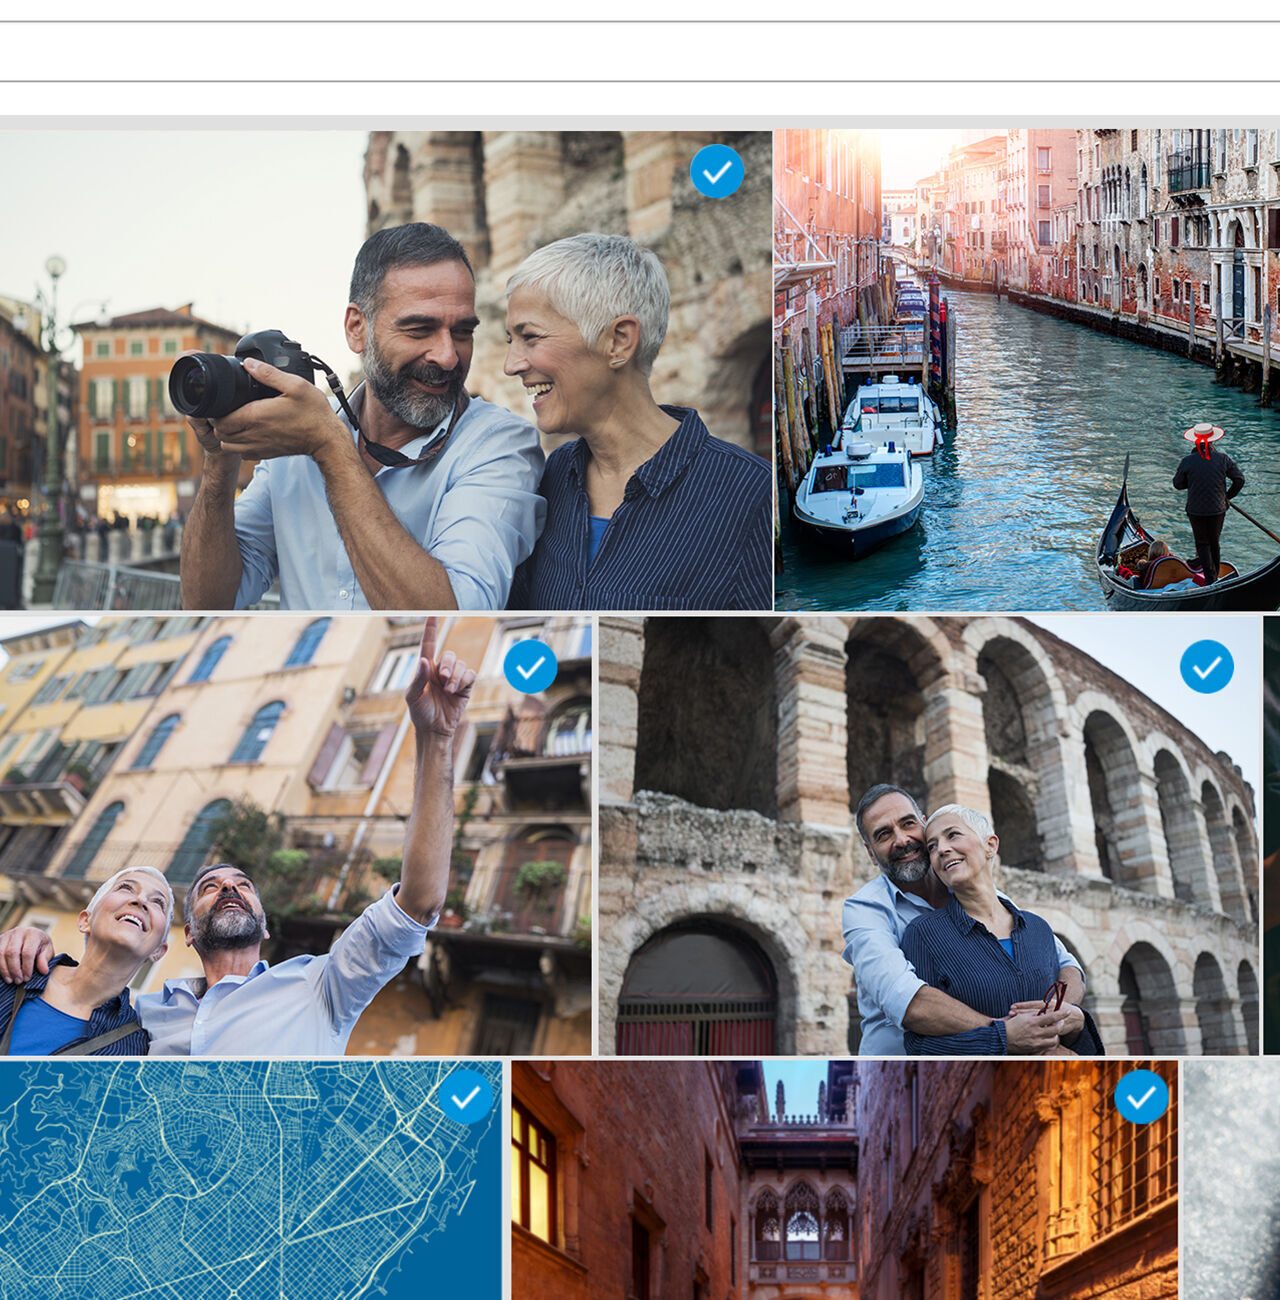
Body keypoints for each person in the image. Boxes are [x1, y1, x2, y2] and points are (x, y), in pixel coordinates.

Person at [0, 618, 471, 1056]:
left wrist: (437, 739)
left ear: (265, 927)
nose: (229, 887)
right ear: (182, 937)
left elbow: (419, 904)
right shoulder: (139, 1019)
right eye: (209, 888)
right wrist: (26, 944)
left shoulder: (323, 986)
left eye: (243, 885)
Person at [179, 223, 545, 612]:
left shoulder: (501, 445)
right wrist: (220, 458)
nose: (448, 356)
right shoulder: (294, 445)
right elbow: (208, 601)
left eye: (462, 332)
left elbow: (452, 618)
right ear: (357, 329)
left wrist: (329, 446)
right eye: (419, 330)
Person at [502, 232, 771, 611]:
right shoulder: (551, 478)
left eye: (529, 337)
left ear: (618, 342)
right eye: (510, 340)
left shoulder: (748, 493)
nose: (511, 364)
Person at [840, 784, 1085, 1056]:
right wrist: (1007, 1035)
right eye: (884, 835)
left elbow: (1066, 965)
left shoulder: (978, 890)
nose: (901, 840)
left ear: (925, 824)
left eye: (908, 824)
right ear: (871, 852)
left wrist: (1061, 1016)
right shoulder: (865, 909)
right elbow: (909, 1002)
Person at [900, 805, 1104, 1056]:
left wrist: (1076, 1027)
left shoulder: (1037, 928)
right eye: (932, 846)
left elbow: (1070, 1029)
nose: (941, 849)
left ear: (990, 845)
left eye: (953, 835)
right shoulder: (925, 934)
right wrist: (1003, 1040)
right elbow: (918, 1048)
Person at [0, 867, 173, 1056]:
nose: (141, 900)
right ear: (85, 920)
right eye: (126, 888)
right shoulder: (11, 969)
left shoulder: (135, 1051)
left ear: (158, 951)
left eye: (158, 902)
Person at [1173, 422, 1245, 585]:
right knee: (1214, 542)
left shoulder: (1188, 461)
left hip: (1196, 510)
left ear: (1195, 441)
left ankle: (1211, 579)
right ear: (1212, 441)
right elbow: (1239, 479)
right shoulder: (1223, 459)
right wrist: (1227, 496)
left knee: (1202, 544)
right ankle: (1214, 576)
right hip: (1218, 508)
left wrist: (1191, 482)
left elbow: (1177, 484)